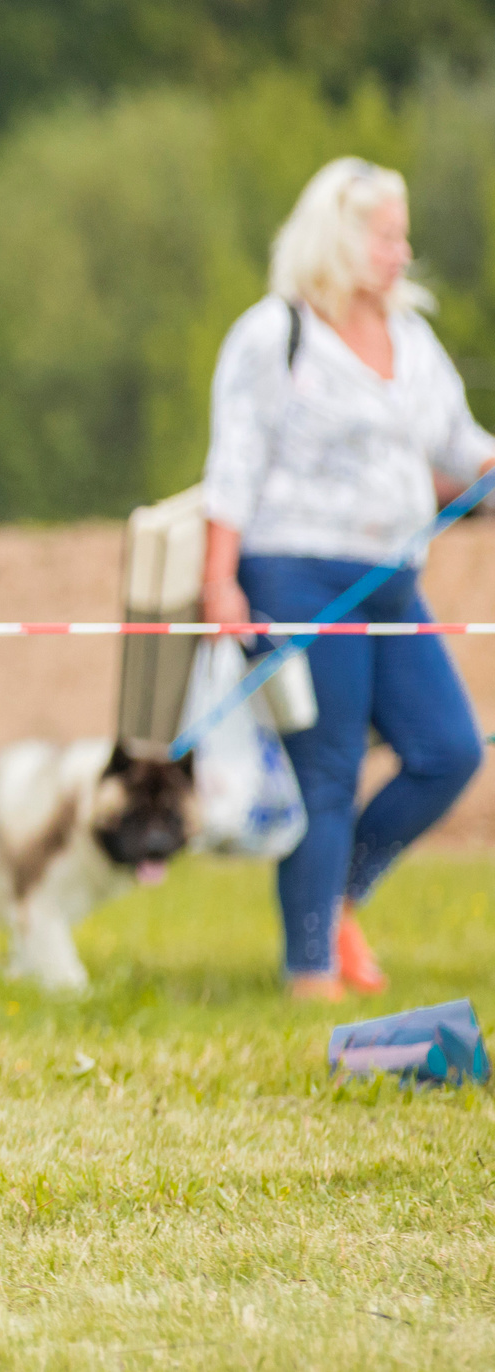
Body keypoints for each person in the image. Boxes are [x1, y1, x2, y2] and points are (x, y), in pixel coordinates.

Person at [201, 157, 492, 1002]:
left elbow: (458, 448)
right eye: (385, 235)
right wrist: (221, 582)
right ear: (336, 238)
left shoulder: (416, 342)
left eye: (403, 235)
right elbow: (235, 463)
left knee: (449, 750)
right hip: (299, 576)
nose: (402, 252)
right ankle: (311, 973)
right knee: (325, 773)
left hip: (395, 578)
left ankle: (339, 900)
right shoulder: (273, 334)